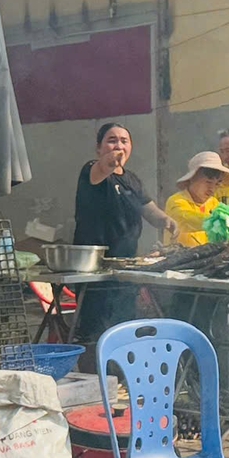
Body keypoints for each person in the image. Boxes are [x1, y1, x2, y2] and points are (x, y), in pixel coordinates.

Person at [72, 122, 171, 343]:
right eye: (112, 140)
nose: (119, 146)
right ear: (99, 148)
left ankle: (120, 376)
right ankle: (94, 375)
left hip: (125, 267)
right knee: (93, 333)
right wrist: (109, 162)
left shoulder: (132, 179)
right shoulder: (91, 170)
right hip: (95, 270)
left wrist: (167, 220)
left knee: (124, 328)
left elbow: (150, 211)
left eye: (124, 141)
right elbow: (102, 169)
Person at [163, 151, 229, 247]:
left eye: (217, 184)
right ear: (192, 179)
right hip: (177, 259)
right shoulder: (175, 201)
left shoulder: (214, 203)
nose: (212, 189)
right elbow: (188, 220)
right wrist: (219, 222)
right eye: (208, 182)